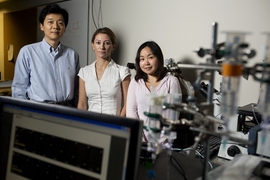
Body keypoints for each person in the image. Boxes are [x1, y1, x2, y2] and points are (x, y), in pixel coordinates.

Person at [11, 4, 80, 107]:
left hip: (68, 110)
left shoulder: (72, 54)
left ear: (65, 28)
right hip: (39, 110)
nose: (55, 27)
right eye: (50, 22)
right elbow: (19, 89)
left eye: (60, 23)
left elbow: (77, 89)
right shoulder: (27, 52)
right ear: (41, 26)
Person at [126, 41, 181, 142]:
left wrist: (161, 142)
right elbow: (131, 111)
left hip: (164, 143)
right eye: (142, 59)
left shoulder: (172, 81)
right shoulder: (135, 82)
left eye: (150, 57)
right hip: (138, 140)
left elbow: (173, 115)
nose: (146, 62)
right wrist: (140, 140)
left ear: (159, 59)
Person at [77, 27, 131, 116]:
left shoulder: (122, 72)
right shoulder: (84, 72)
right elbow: (82, 104)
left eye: (106, 43)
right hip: (90, 123)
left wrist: (119, 124)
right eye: (98, 43)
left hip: (114, 123)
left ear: (113, 46)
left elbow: (127, 104)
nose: (102, 47)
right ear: (93, 45)